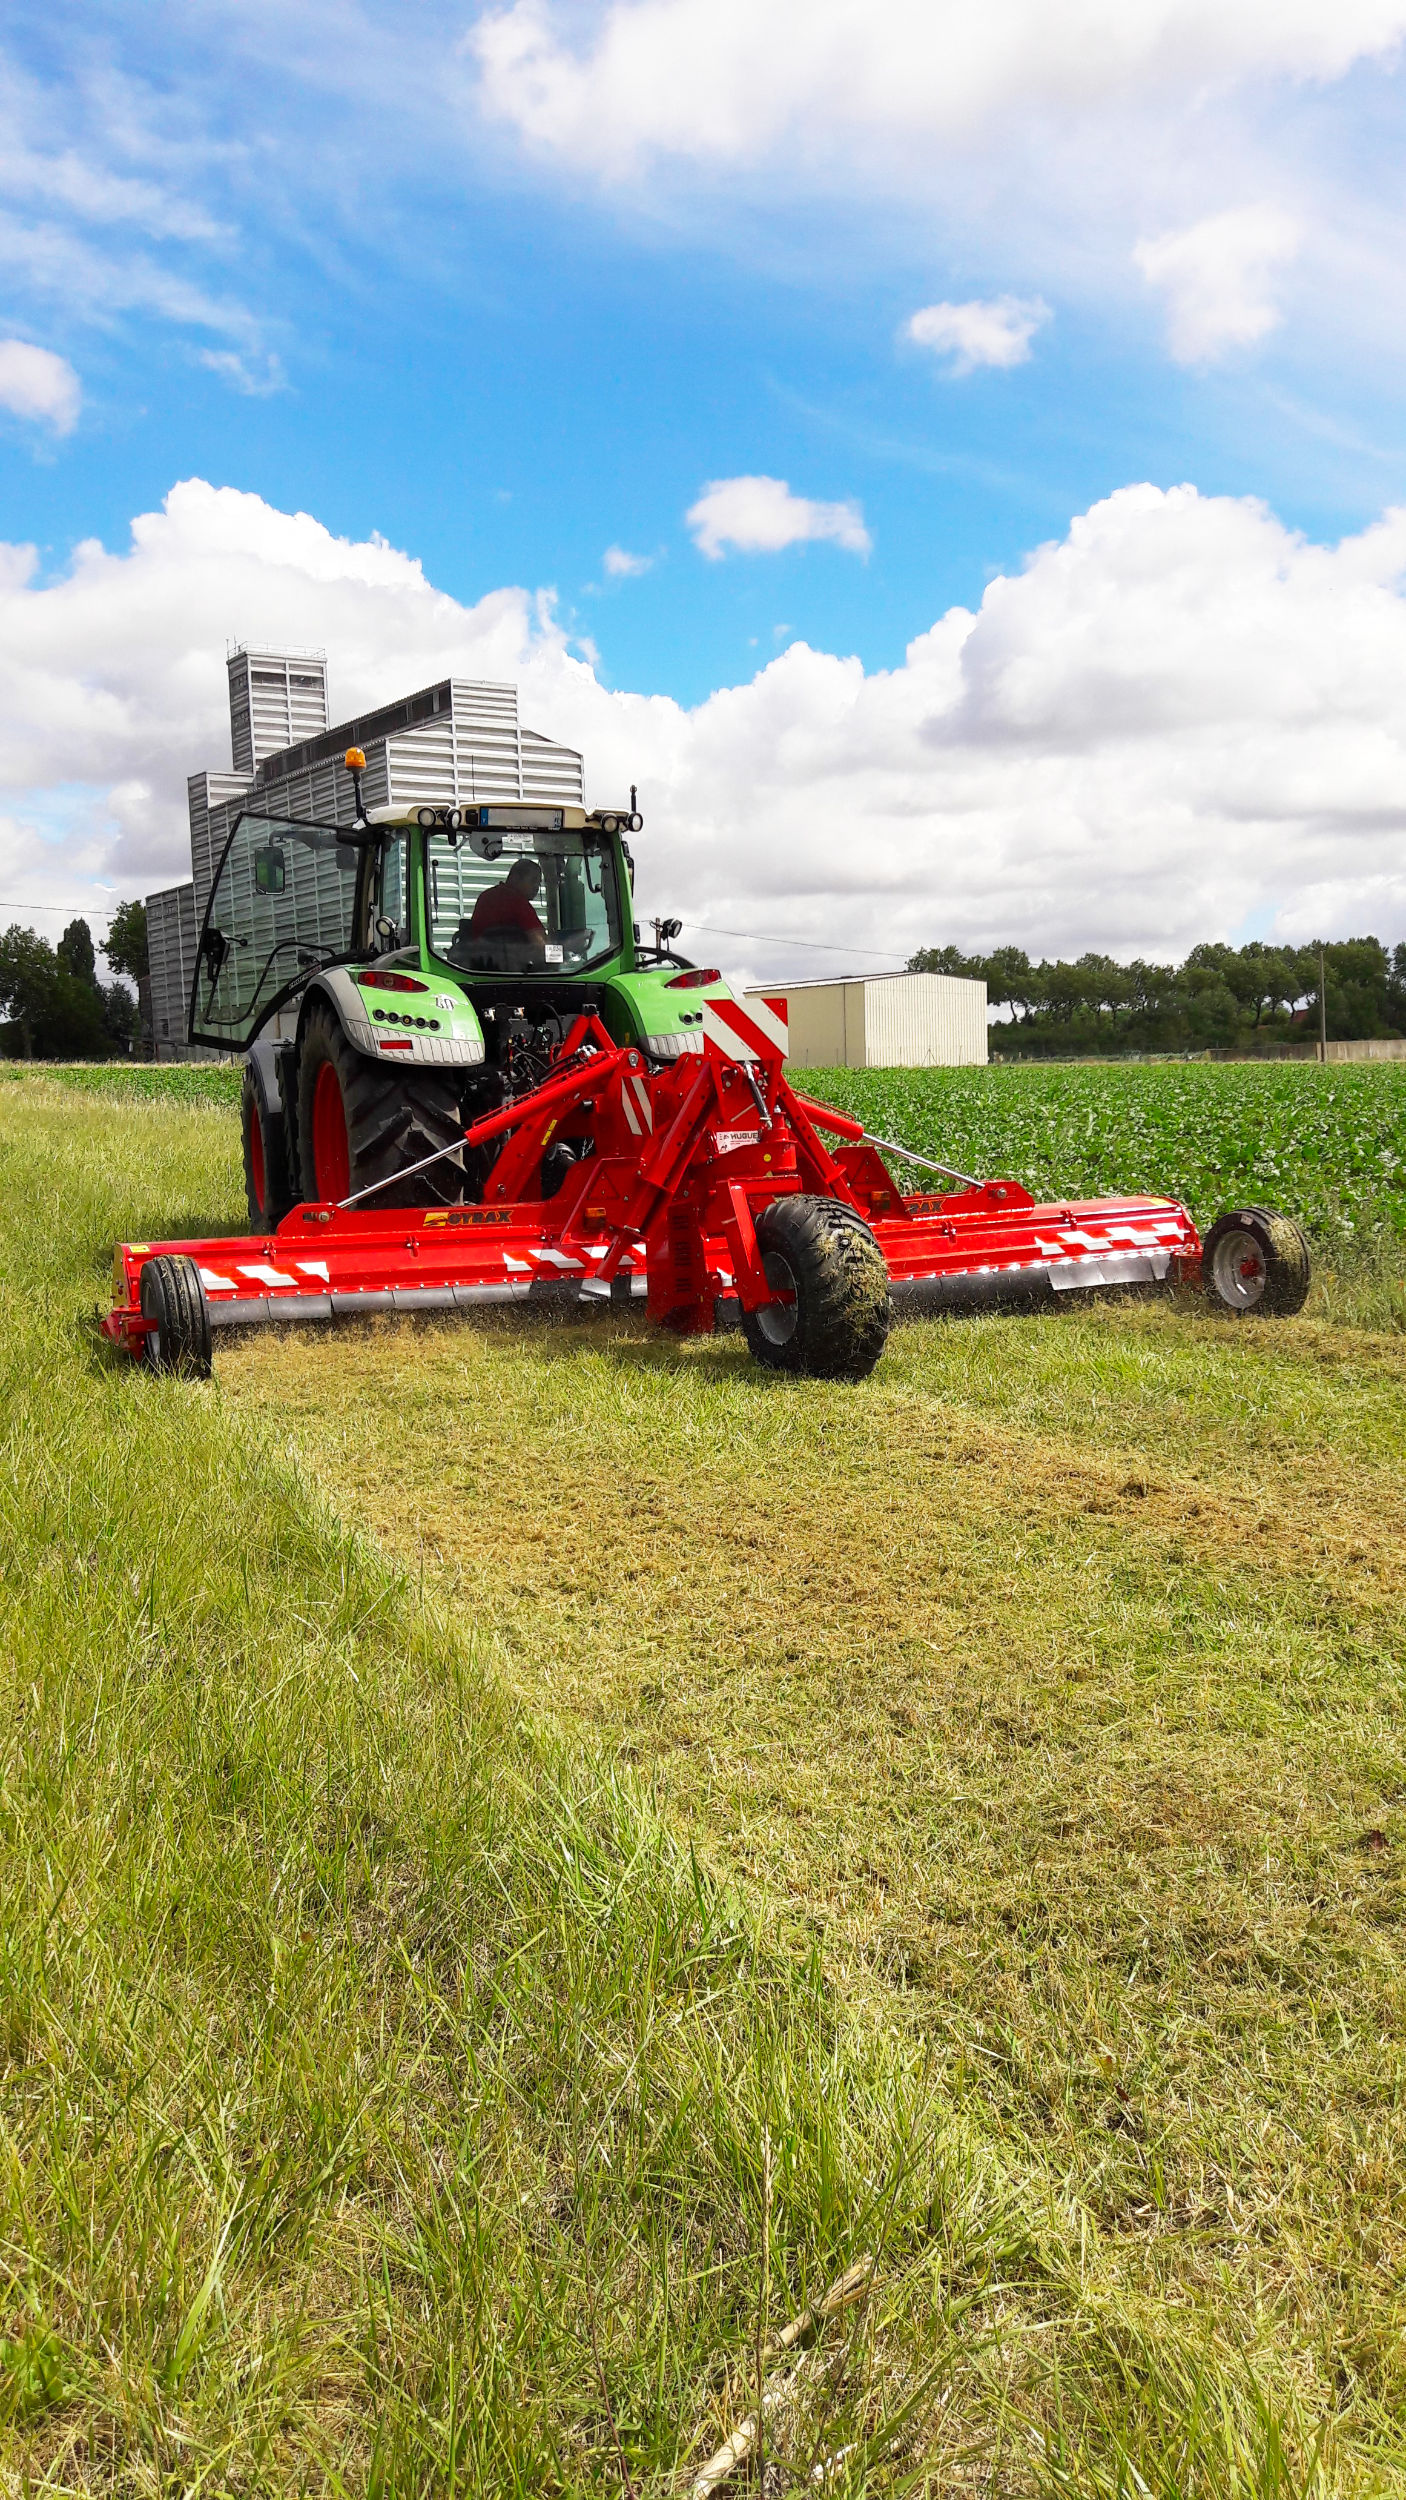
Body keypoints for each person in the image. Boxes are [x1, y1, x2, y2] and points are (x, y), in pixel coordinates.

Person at [457, 857, 546, 962]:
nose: (536, 887)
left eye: (539, 883)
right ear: (515, 878)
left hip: (480, 966)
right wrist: (560, 955)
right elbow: (541, 944)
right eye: (533, 880)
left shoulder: (486, 896)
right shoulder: (519, 903)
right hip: (510, 969)